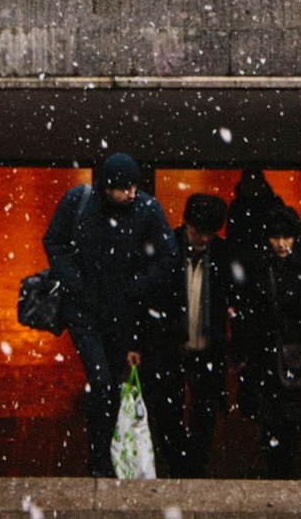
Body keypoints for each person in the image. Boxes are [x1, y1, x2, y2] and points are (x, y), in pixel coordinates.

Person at [42, 153, 178, 477]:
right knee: (102, 381)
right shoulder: (81, 201)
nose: (131, 194)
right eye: (124, 189)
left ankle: (102, 453)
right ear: (107, 188)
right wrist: (78, 284)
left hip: (120, 311)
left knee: (112, 385)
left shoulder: (145, 209)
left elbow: (168, 255)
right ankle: (99, 458)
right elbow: (54, 241)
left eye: (134, 187)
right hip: (86, 309)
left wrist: (135, 287)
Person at [232, 204, 301, 479]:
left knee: (291, 421)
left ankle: (281, 466)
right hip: (273, 355)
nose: (281, 244)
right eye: (276, 238)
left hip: (291, 353)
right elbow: (247, 313)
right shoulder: (263, 267)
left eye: (287, 237)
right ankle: (279, 466)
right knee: (274, 420)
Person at [143, 193, 230, 477]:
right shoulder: (166, 249)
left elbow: (230, 299)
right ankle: (179, 464)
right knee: (168, 412)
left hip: (205, 346)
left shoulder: (221, 255)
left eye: (209, 233)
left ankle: (194, 466)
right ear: (186, 224)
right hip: (170, 347)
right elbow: (146, 298)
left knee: (204, 412)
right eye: (198, 231)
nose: (203, 239)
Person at [225, 170, 285, 281]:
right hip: (257, 258)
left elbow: (231, 236)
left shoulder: (238, 205)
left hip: (253, 258)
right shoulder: (272, 203)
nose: (252, 186)